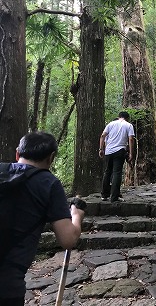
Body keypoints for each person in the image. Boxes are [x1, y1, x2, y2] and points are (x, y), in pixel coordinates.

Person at [0, 131, 85, 306]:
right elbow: (68, 240)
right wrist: (76, 215)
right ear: (51, 158)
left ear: (17, 153)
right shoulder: (49, 184)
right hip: (7, 286)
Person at [99, 111, 135, 202]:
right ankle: (114, 197)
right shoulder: (128, 125)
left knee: (107, 172)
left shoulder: (111, 124)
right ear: (127, 118)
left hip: (108, 151)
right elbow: (131, 139)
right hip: (119, 151)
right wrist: (131, 153)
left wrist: (101, 149)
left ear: (119, 117)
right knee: (117, 173)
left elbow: (103, 136)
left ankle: (104, 195)